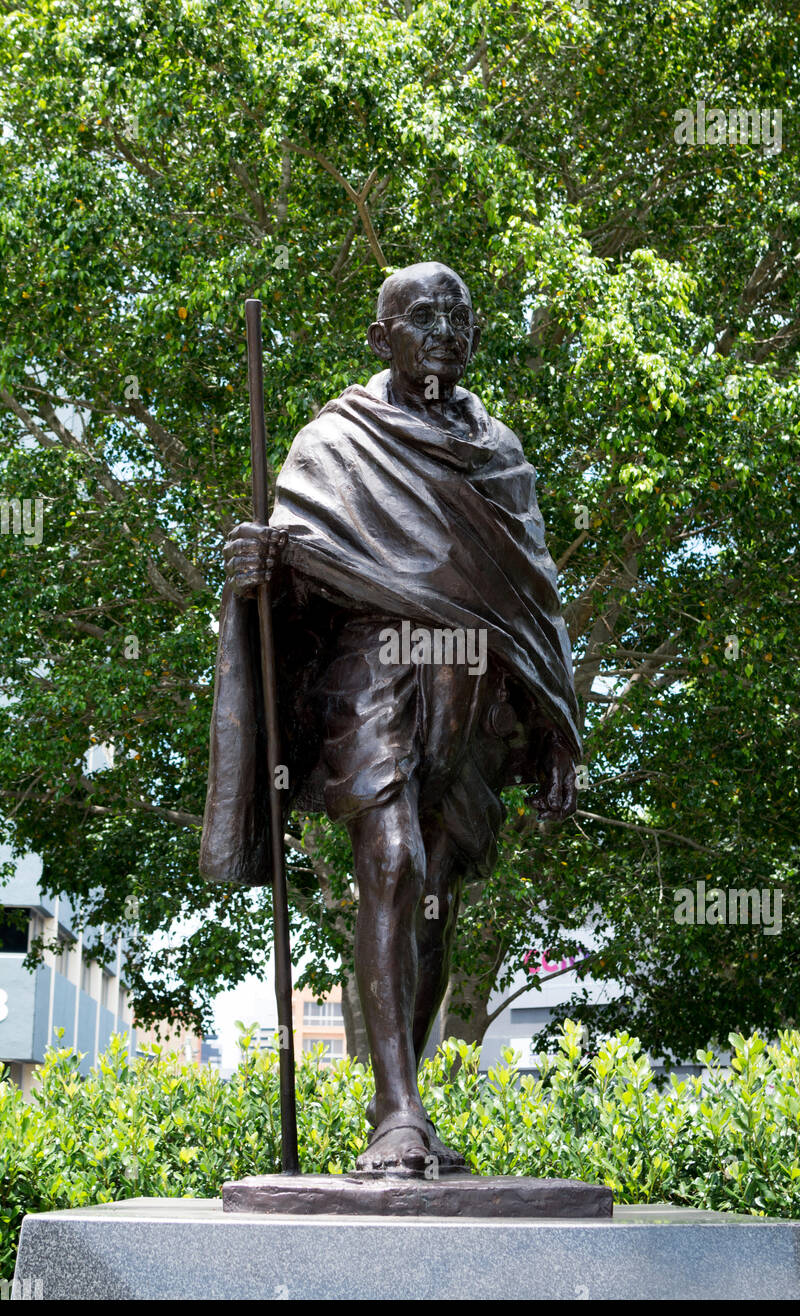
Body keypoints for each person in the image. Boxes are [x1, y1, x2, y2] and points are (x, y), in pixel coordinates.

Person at [201, 262, 581, 1172]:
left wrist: (560, 727)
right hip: (373, 670)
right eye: (423, 316)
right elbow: (293, 564)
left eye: (460, 313)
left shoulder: (500, 452)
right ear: (383, 339)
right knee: (395, 861)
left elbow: (534, 601)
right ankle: (396, 1113)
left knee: (437, 904)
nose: (445, 329)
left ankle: (408, 1104)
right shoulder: (336, 442)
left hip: (475, 693)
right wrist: (256, 568)